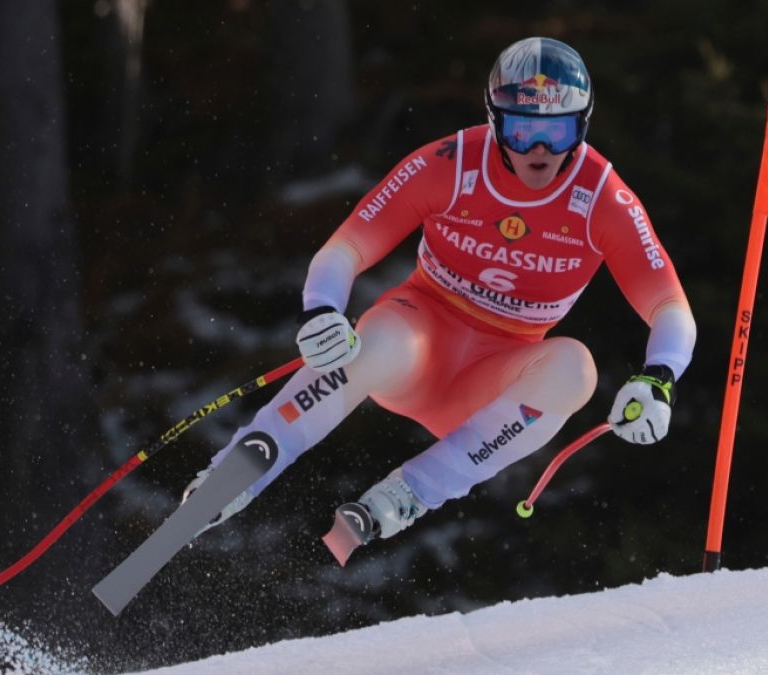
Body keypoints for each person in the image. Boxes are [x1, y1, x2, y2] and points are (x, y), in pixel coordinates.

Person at [185, 36, 696, 548]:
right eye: (522, 132)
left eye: (557, 133)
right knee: (381, 339)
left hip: (493, 381)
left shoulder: (602, 196)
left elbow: (670, 305)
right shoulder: (452, 164)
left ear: (581, 126)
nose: (539, 152)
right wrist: (320, 310)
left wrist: (659, 378)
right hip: (419, 338)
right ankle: (236, 475)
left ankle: (409, 494)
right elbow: (345, 249)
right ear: (496, 121)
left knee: (575, 370)